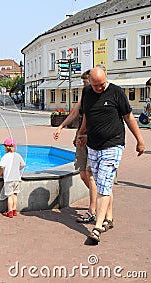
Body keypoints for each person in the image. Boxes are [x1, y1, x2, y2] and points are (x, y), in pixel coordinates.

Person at [76, 67, 145, 243]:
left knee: (105, 183)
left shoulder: (117, 92)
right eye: (96, 85)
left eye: (102, 84)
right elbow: (86, 116)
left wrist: (140, 140)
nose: (99, 88)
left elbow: (129, 117)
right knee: (102, 184)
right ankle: (109, 218)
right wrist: (81, 134)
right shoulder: (87, 92)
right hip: (93, 145)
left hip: (113, 144)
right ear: (89, 82)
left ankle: (97, 227)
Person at [53, 70, 97, 224]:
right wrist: (61, 127)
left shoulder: (100, 96)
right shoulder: (85, 95)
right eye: (84, 83)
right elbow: (74, 113)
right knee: (83, 173)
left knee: (90, 175)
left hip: (93, 139)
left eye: (86, 83)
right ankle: (97, 196)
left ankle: (93, 209)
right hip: (81, 137)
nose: (84, 86)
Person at [0, 137, 26, 218]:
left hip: (8, 180)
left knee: (9, 196)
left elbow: (2, 166)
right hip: (17, 178)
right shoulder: (18, 155)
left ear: (7, 147)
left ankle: (9, 211)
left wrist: (1, 173)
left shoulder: (5, 156)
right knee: (15, 194)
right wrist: (18, 169)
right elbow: (23, 165)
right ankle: (14, 210)